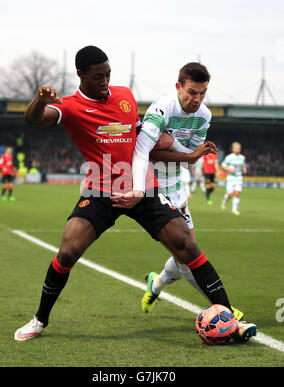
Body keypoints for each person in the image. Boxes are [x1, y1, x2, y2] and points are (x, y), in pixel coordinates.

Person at [14, 47, 256, 343]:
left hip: (143, 186)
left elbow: (145, 143)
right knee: (67, 252)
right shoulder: (71, 105)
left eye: (108, 75)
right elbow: (34, 119)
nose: (105, 82)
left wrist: (183, 153)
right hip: (100, 190)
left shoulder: (125, 96)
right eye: (98, 76)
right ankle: (39, 320)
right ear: (81, 75)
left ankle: (230, 318)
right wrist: (39, 100)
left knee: (186, 245)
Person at [111, 62, 257, 342]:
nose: (196, 99)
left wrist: (174, 146)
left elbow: (192, 155)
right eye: (191, 92)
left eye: (202, 93)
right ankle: (224, 311)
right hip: (154, 189)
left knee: (186, 254)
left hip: (177, 187)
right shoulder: (162, 109)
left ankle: (157, 283)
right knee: (189, 254)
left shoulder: (203, 115)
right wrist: (146, 181)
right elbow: (144, 151)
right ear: (178, 87)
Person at [221, 142, 247, 215]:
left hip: (239, 178)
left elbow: (243, 165)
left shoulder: (242, 157)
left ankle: (234, 209)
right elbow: (223, 166)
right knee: (230, 195)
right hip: (231, 178)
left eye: (239, 149)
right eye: (236, 148)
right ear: (233, 149)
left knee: (237, 193)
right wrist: (230, 170)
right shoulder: (229, 157)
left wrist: (244, 169)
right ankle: (225, 200)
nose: (238, 150)